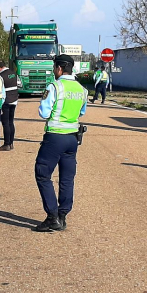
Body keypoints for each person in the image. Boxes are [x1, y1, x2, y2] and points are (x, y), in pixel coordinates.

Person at [33, 54, 88, 232]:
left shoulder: (55, 86)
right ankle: (63, 216)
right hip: (72, 139)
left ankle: (52, 216)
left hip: (55, 137)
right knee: (66, 178)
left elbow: (44, 112)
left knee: (42, 173)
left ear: (58, 68)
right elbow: (82, 112)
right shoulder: (81, 89)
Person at [0, 60, 18, 151]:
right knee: (11, 122)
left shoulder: (0, 76)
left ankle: (7, 144)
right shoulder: (13, 73)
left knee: (5, 123)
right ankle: (11, 143)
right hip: (14, 100)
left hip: (6, 101)